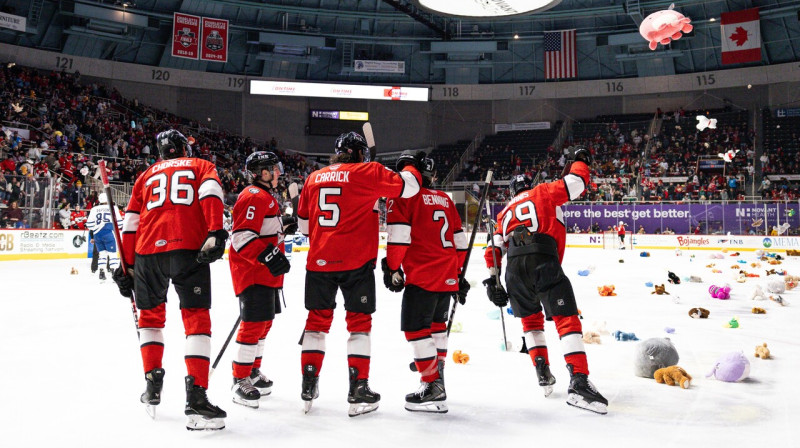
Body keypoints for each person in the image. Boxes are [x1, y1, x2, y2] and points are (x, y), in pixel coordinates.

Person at [296, 131, 423, 416]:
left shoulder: (313, 178)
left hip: (319, 263)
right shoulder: (369, 171)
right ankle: (358, 389)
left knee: (316, 325)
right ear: (357, 153)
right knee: (359, 325)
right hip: (356, 263)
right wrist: (408, 164)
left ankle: (308, 385)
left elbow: (304, 228)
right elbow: (411, 187)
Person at [111, 129, 229, 430]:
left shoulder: (145, 175)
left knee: (149, 320)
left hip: (147, 252)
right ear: (182, 149)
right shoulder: (201, 166)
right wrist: (215, 231)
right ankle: (196, 397)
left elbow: (130, 224)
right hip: (189, 249)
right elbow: (211, 194)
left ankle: (152, 386)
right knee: (196, 320)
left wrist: (126, 266)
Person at [482, 147, 608, 415]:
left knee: (531, 319)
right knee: (566, 317)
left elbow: (493, 249)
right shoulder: (543, 192)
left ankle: (542, 370)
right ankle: (579, 381)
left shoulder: (504, 212)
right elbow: (576, 183)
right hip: (542, 258)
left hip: (513, 268)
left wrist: (493, 282)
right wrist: (581, 161)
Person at [382, 152, 468, 413]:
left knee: (416, 329)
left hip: (422, 275)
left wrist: (392, 268)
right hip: (447, 275)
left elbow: (399, 238)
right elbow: (460, 244)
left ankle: (431, 384)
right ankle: (437, 373)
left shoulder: (405, 197)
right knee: (437, 327)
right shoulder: (445, 199)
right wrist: (458, 274)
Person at [228, 151, 296, 408]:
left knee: (264, 323)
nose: (278, 172)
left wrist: (282, 227)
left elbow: (262, 230)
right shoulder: (254, 196)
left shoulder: (266, 196)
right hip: (253, 272)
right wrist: (269, 256)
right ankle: (239, 377)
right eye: (274, 169)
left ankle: (253, 371)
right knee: (254, 324)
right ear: (263, 172)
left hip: (266, 273)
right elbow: (241, 237)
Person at [85, 193, 122, 282]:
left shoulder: (94, 209)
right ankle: (113, 273)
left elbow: (89, 225)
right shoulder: (114, 208)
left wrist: (97, 228)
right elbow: (120, 223)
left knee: (102, 254)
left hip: (97, 235)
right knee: (112, 254)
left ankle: (101, 272)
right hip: (109, 232)